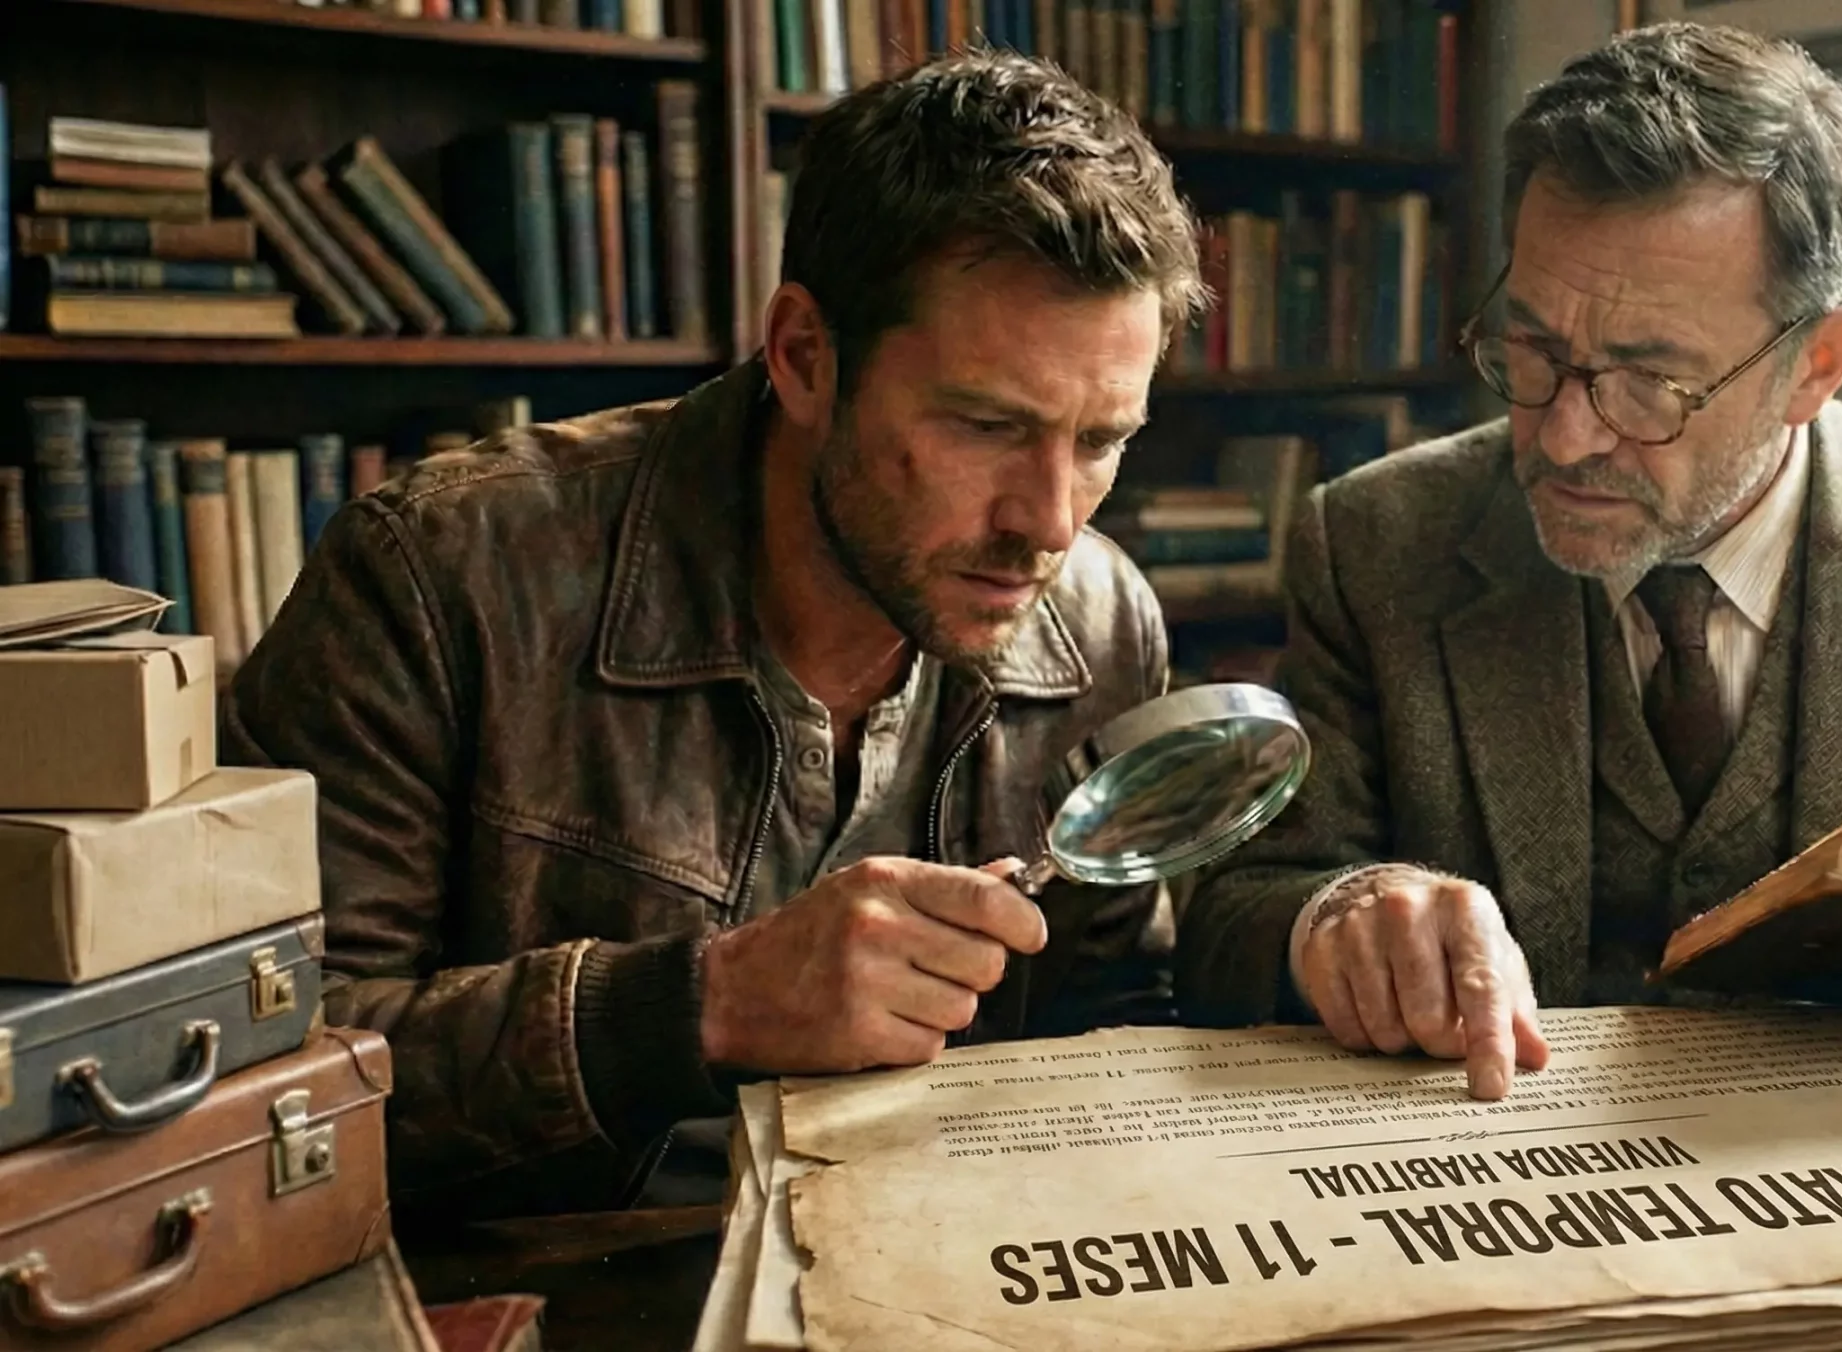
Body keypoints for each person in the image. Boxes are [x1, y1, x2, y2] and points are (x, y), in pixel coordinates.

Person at [1176, 22, 1842, 1131]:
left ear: (1817, 364)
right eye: (1533, 351)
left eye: (1649, 382)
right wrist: (1340, 917)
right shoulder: (1377, 540)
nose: (1564, 437)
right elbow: (1230, 922)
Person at [222, 53, 1205, 1222]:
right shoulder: (441, 573)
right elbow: (263, 1080)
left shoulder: (1101, 616)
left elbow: (1110, 1009)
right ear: (804, 358)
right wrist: (696, 1005)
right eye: (987, 425)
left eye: (1100, 441)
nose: (1047, 523)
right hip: (565, 1281)